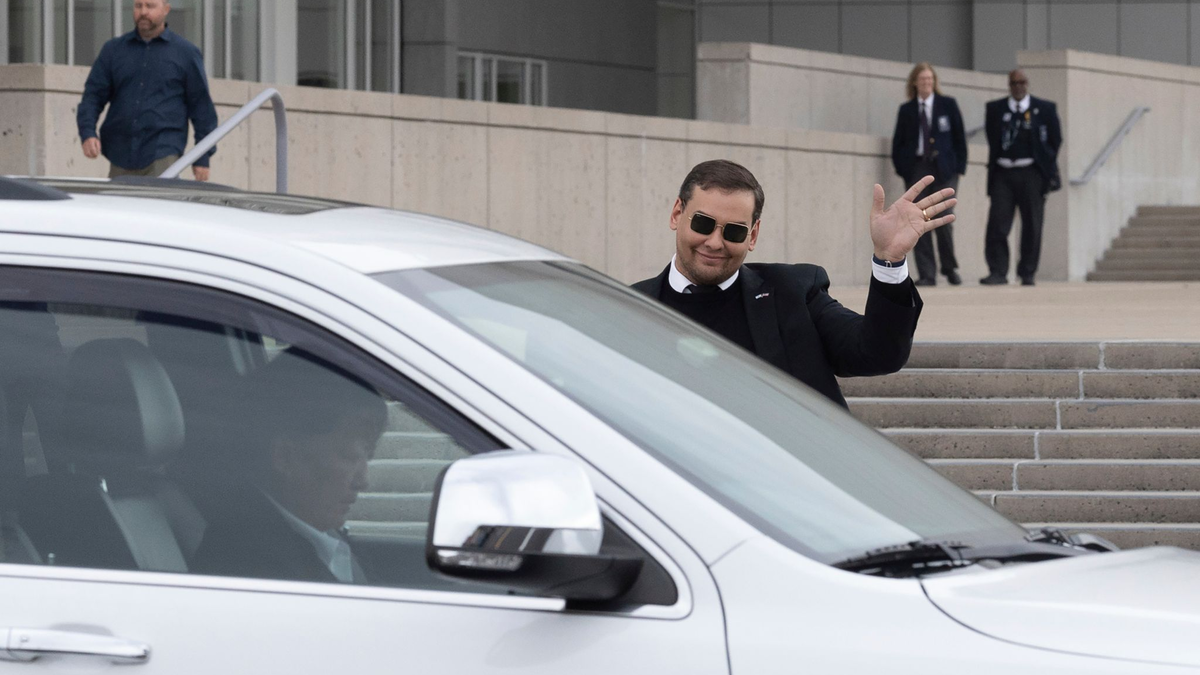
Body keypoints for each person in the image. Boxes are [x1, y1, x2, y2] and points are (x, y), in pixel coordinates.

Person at [632, 159, 955, 408]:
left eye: (734, 231)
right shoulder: (625, 309)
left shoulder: (792, 292)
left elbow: (877, 353)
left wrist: (889, 261)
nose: (715, 243)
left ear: (753, 235)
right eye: (703, 224)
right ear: (677, 214)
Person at [190, 349, 388, 584]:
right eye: (348, 456)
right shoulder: (254, 566)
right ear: (284, 456)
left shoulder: (308, 538)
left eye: (369, 456)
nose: (363, 481)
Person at [76, 0, 218, 181]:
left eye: (150, 6)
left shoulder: (186, 54)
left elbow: (202, 109)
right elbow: (93, 96)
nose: (143, 12)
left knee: (158, 208)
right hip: (120, 154)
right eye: (138, 6)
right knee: (119, 209)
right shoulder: (113, 50)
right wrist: (87, 132)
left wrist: (202, 157)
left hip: (163, 152)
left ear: (166, 9)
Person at [980, 69, 1062, 286]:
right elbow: (992, 138)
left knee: (1032, 224)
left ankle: (1027, 272)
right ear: (1009, 85)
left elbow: (1055, 140)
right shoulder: (995, 109)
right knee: (998, 222)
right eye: (1014, 83)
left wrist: (1045, 166)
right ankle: (998, 270)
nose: (1018, 86)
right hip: (1003, 172)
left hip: (1031, 173)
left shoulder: (1044, 109)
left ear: (1028, 84)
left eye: (1022, 82)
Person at [891, 62, 967, 286]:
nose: (927, 83)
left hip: (944, 169)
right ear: (915, 82)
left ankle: (950, 268)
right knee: (918, 220)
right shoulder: (907, 110)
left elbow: (960, 140)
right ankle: (927, 273)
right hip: (917, 168)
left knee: (943, 219)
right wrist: (903, 168)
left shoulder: (948, 105)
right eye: (923, 79)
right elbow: (899, 142)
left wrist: (958, 168)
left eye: (930, 79)